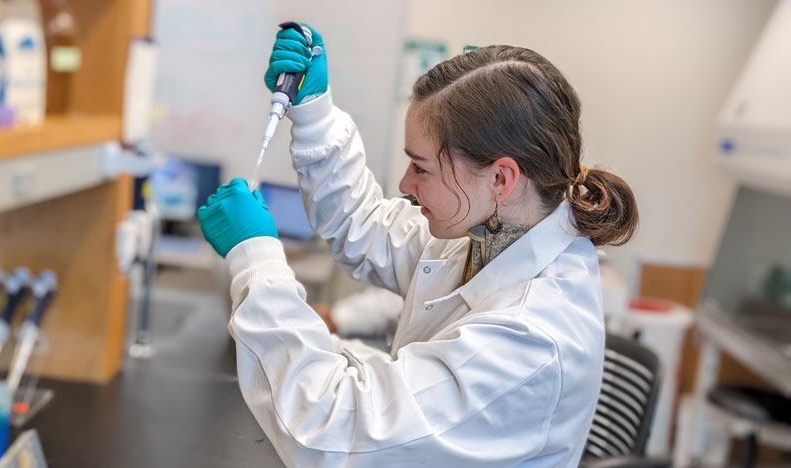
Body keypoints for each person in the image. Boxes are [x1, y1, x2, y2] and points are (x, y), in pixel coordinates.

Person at [197, 22, 638, 468]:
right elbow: (367, 225)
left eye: (421, 168)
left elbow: (331, 430)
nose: (406, 185)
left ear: (500, 178)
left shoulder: (531, 339)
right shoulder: (491, 237)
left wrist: (256, 257)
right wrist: (313, 112)